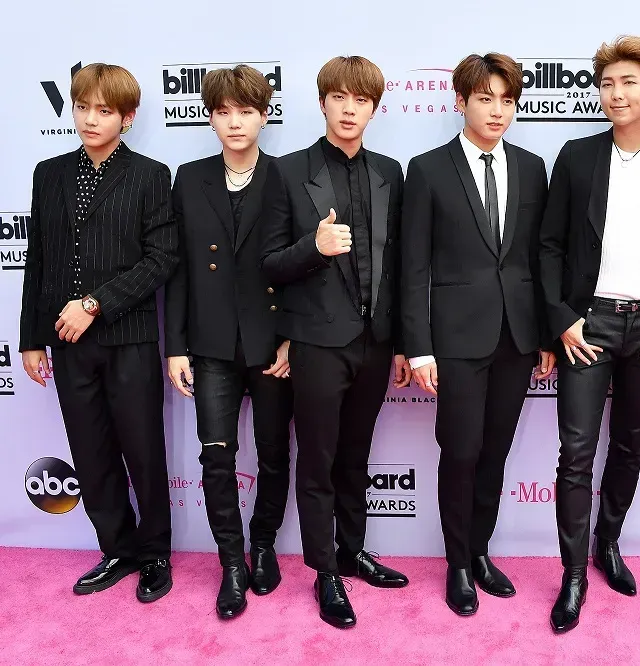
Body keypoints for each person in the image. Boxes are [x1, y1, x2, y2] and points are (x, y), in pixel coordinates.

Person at [538, 35, 640, 633]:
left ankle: (607, 543)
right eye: (607, 83)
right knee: (576, 450)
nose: (615, 94)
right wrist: (562, 318)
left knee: (629, 444)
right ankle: (573, 574)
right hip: (590, 323)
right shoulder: (577, 156)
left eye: (628, 82)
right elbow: (550, 244)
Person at [260, 55, 411, 629]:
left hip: (375, 342)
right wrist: (314, 247)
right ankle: (324, 571)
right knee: (319, 460)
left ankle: (352, 551)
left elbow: (400, 266)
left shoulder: (390, 172)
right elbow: (268, 263)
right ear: (322, 102)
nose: (350, 110)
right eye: (339, 98)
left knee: (356, 456)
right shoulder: (287, 171)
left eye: (361, 100)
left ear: (375, 108)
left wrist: (402, 342)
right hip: (318, 342)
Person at [401, 52, 554, 617]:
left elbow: (538, 258)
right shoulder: (427, 169)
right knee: (461, 452)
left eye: (507, 101)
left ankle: (481, 551)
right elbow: (413, 266)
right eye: (486, 99)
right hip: (455, 340)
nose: (497, 111)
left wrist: (543, 335)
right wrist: (419, 347)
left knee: (494, 452)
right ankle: (458, 564)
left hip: (516, 337)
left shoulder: (532, 167)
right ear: (460, 101)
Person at [20, 63, 177, 602]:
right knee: (90, 454)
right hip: (66, 343)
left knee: (143, 452)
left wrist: (96, 304)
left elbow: (161, 258)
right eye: (82, 107)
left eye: (104, 110)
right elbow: (37, 260)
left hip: (128, 338)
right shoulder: (49, 173)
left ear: (127, 118)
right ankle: (118, 549)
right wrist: (31, 337)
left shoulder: (151, 175)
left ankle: (155, 554)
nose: (90, 119)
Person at [164, 64, 293, 620]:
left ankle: (263, 546)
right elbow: (177, 270)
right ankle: (232, 563)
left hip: (271, 344)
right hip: (211, 344)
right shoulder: (189, 178)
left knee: (273, 453)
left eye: (246, 111)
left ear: (264, 115)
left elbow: (300, 268)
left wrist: (291, 339)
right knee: (216, 457)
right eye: (223, 112)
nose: (235, 122)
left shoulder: (286, 175)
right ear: (210, 119)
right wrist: (175, 346)